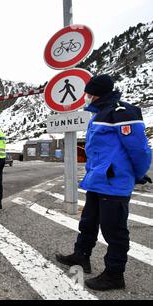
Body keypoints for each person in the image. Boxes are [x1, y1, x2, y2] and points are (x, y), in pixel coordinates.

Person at [56, 74, 152, 291]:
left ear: (96, 93)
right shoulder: (100, 113)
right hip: (98, 181)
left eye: (88, 93)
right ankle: (81, 256)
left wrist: (137, 174)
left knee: (114, 231)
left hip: (114, 182)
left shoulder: (122, 112)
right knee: (88, 223)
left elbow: (139, 150)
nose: (86, 97)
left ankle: (115, 275)